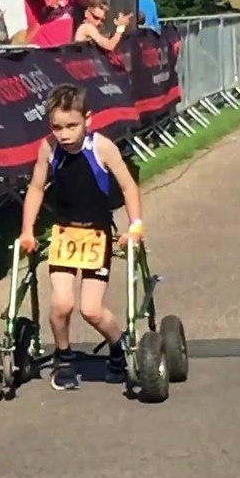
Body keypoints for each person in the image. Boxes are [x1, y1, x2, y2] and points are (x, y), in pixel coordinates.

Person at [18, 84, 144, 390]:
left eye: (72, 126)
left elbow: (128, 186)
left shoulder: (102, 147)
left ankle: (118, 345)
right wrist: (27, 231)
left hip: (97, 234)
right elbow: (36, 188)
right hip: (64, 233)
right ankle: (64, 358)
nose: (64, 134)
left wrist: (135, 225)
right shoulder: (48, 148)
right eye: (57, 127)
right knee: (61, 304)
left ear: (88, 119)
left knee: (91, 309)